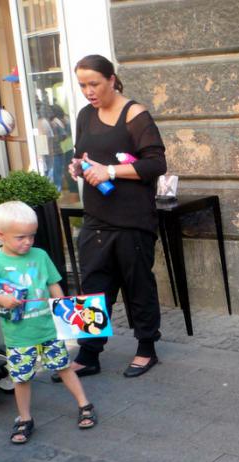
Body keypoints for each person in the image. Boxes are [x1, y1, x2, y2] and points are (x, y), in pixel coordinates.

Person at [57, 54, 166, 379]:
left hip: (132, 219)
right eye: (82, 85)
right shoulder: (84, 115)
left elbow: (155, 164)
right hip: (96, 218)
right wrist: (78, 166)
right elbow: (81, 155)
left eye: (94, 84)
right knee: (91, 286)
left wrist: (111, 172)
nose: (88, 91)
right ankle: (89, 354)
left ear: (111, 79)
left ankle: (147, 348)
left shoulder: (135, 114)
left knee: (138, 287)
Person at [0, 201, 97, 444]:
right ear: (0, 235)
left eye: (32, 236)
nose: (28, 242)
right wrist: (0, 299)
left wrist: (65, 307)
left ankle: (84, 403)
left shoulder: (40, 255)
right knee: (21, 378)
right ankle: (24, 418)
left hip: (48, 329)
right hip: (19, 336)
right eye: (20, 237)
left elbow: (52, 283)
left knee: (64, 367)